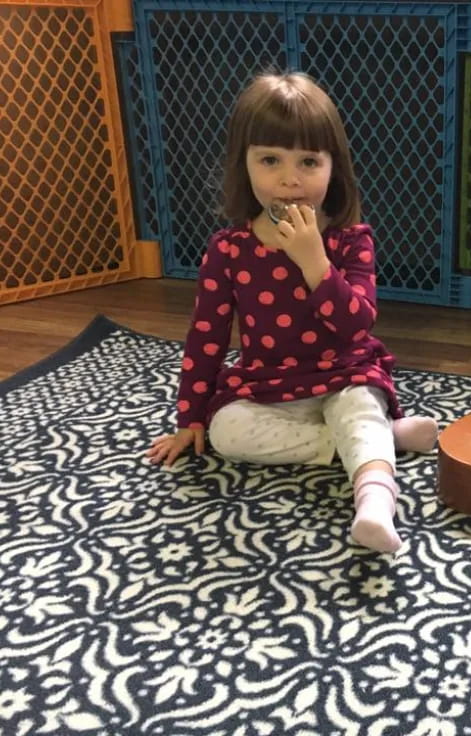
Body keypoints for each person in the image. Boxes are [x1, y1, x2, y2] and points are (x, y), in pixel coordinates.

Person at [146, 71, 438, 554]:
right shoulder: (229, 249)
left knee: (359, 404)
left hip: (345, 372)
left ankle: (374, 504)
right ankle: (379, 439)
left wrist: (313, 261)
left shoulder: (350, 239)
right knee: (226, 431)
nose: (289, 178)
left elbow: (356, 323)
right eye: (270, 160)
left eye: (308, 161)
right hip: (269, 384)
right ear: (245, 166)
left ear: (333, 168)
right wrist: (190, 418)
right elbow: (206, 337)